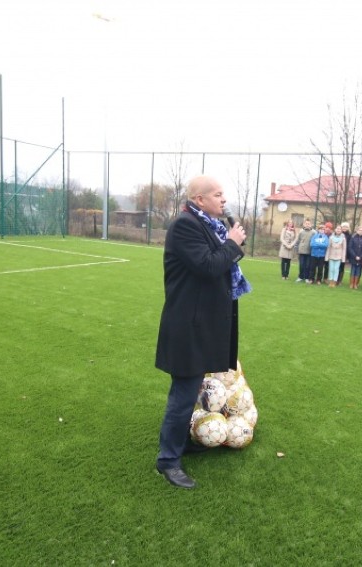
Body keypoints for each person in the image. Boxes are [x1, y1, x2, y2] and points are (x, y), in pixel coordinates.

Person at [155, 175, 249, 489]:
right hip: (188, 326)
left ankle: (181, 442)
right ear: (199, 200)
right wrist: (232, 244)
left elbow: (221, 262)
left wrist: (232, 244)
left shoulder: (208, 226)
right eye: (218, 195)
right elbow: (208, 265)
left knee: (190, 390)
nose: (224, 200)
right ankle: (168, 461)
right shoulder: (185, 226)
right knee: (183, 395)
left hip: (202, 325)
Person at [325, 223, 347, 287]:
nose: (338, 230)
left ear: (341, 230)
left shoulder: (343, 239)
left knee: (336, 269)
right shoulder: (331, 238)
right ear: (335, 230)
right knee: (331, 269)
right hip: (331, 256)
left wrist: (343, 259)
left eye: (340, 229)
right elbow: (328, 247)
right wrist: (327, 257)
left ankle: (334, 281)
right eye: (337, 229)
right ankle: (330, 281)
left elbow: (344, 249)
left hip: (339, 256)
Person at [347, 225, 362, 290]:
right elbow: (350, 247)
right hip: (353, 257)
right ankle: (351, 284)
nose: (360, 231)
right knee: (353, 270)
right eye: (359, 230)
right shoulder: (353, 237)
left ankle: (355, 284)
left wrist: (361, 256)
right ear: (357, 231)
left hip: (361, 258)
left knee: (358, 271)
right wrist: (355, 256)